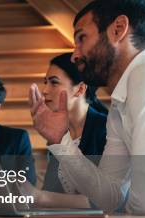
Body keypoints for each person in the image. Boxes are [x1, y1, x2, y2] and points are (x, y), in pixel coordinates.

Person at [29, 0, 145, 214]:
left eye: (81, 38)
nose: (74, 55)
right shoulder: (118, 103)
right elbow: (110, 198)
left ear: (118, 29)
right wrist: (62, 141)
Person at [41, 53, 108, 194]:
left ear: (80, 89)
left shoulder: (107, 129)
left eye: (54, 82)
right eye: (45, 82)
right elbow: (51, 191)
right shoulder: (59, 132)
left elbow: (108, 199)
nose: (45, 90)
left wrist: (41, 198)